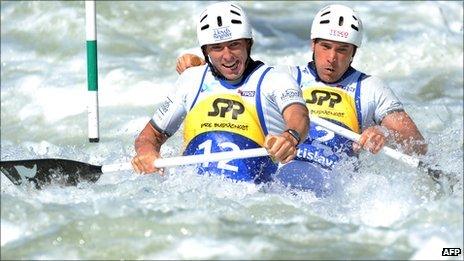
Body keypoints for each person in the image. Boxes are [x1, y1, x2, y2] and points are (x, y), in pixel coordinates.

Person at [175, 4, 427, 196]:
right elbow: (237, 73)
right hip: (281, 170)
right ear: (312, 45)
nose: (331, 58)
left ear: (354, 53)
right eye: (325, 47)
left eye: (342, 50)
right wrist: (203, 67)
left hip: (333, 180)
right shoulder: (285, 77)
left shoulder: (371, 88)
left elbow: (418, 146)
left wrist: (383, 132)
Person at [131, 2, 309, 184]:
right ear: (205, 51)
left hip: (254, 194)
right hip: (190, 193)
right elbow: (150, 134)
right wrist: (147, 153)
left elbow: (299, 115)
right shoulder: (191, 79)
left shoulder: (275, 79)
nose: (228, 56)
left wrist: (290, 137)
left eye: (234, 45)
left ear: (248, 44)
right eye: (217, 48)